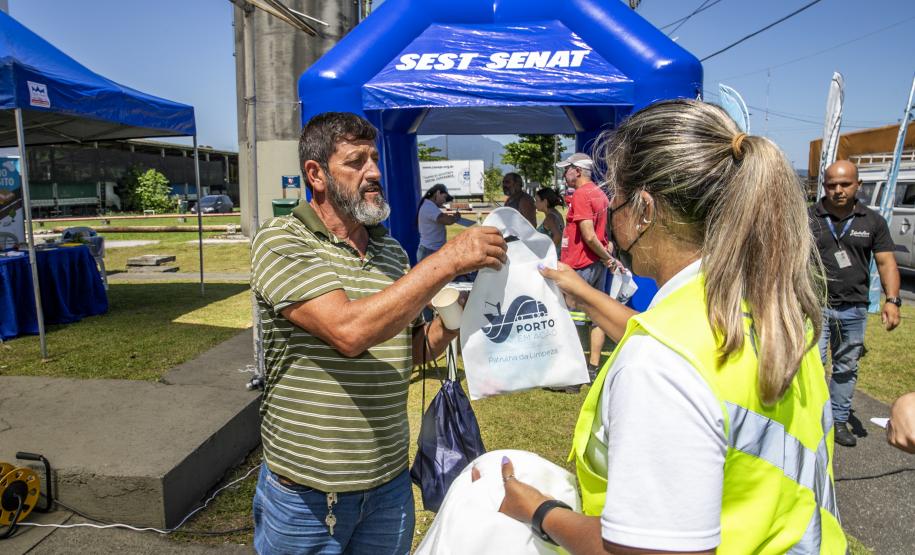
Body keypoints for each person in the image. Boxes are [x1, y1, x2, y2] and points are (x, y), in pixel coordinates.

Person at [489, 100, 846, 553]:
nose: (610, 216)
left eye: (614, 201)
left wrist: (538, 510)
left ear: (643, 210)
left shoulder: (659, 367)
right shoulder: (776, 314)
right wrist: (580, 292)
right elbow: (674, 342)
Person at [249, 112, 507, 554]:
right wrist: (449, 259)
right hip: (309, 496)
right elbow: (348, 331)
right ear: (317, 174)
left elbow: (409, 350)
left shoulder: (390, 251)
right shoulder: (282, 240)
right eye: (356, 162)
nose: (373, 172)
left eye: (374, 159)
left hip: (388, 486)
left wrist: (452, 321)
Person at [810, 160, 901, 447]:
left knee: (846, 367)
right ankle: (811, 419)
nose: (837, 190)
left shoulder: (872, 221)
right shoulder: (807, 217)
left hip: (854, 309)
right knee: (812, 365)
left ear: (857, 185)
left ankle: (838, 421)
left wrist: (893, 300)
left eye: (844, 184)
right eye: (831, 185)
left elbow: (886, 262)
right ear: (823, 186)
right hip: (814, 306)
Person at [556, 152, 613, 381]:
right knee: (595, 316)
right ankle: (592, 367)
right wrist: (606, 255)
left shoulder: (582, 194)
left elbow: (589, 235)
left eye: (566, 169)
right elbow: (602, 233)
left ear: (577, 171)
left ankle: (573, 375)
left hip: (580, 264)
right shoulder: (600, 194)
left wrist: (606, 257)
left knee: (573, 319)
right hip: (595, 263)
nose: (563, 174)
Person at [416, 183, 459, 262]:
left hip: (431, 250)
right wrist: (456, 217)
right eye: (444, 197)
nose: (444, 201)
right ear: (438, 193)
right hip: (429, 252)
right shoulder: (429, 206)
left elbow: (442, 217)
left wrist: (452, 217)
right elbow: (447, 220)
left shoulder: (429, 205)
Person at [534, 187, 564, 256]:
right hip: (558, 256)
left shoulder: (550, 218)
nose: (535, 203)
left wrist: (547, 253)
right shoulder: (556, 213)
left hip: (552, 259)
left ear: (545, 202)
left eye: (537, 200)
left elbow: (558, 235)